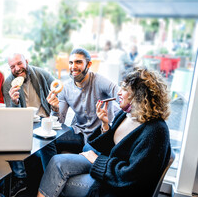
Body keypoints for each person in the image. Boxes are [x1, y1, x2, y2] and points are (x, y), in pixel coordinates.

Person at [38, 68, 172, 197]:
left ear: (140, 96)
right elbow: (114, 148)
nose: (119, 91)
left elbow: (130, 178)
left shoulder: (156, 131)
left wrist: (97, 160)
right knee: (56, 162)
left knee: (59, 181)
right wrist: (105, 124)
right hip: (108, 167)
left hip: (117, 187)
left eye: (125, 89)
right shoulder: (126, 114)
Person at [45, 48, 120, 166]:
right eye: (71, 62)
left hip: (99, 136)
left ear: (89, 64)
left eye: (78, 62)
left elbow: (120, 94)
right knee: (47, 140)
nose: (73, 67)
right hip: (78, 133)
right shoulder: (65, 89)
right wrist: (55, 108)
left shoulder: (100, 81)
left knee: (89, 150)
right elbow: (59, 122)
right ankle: (50, 172)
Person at [2, 53, 59, 196]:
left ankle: (51, 183)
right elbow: (11, 116)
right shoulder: (8, 83)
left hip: (43, 120)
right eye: (12, 66)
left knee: (46, 141)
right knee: (11, 134)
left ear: (26, 61)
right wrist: (14, 102)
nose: (17, 68)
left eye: (19, 63)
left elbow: (58, 91)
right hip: (23, 123)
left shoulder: (41, 74)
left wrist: (55, 105)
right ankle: (21, 179)